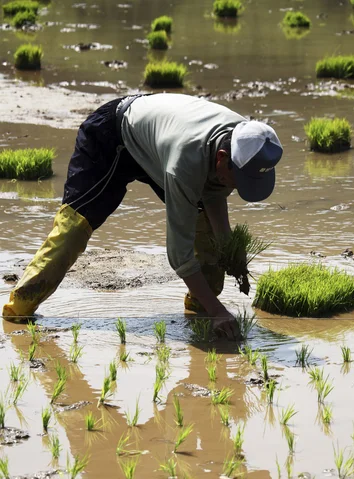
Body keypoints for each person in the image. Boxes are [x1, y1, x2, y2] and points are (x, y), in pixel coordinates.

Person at [2, 93, 283, 339]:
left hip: (159, 141)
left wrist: (229, 251)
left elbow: (214, 194)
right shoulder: (187, 162)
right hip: (114, 136)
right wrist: (220, 310)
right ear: (223, 158)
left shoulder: (243, 141)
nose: (236, 187)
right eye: (238, 181)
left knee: (209, 240)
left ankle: (200, 316)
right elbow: (179, 256)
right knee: (74, 228)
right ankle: (17, 310)